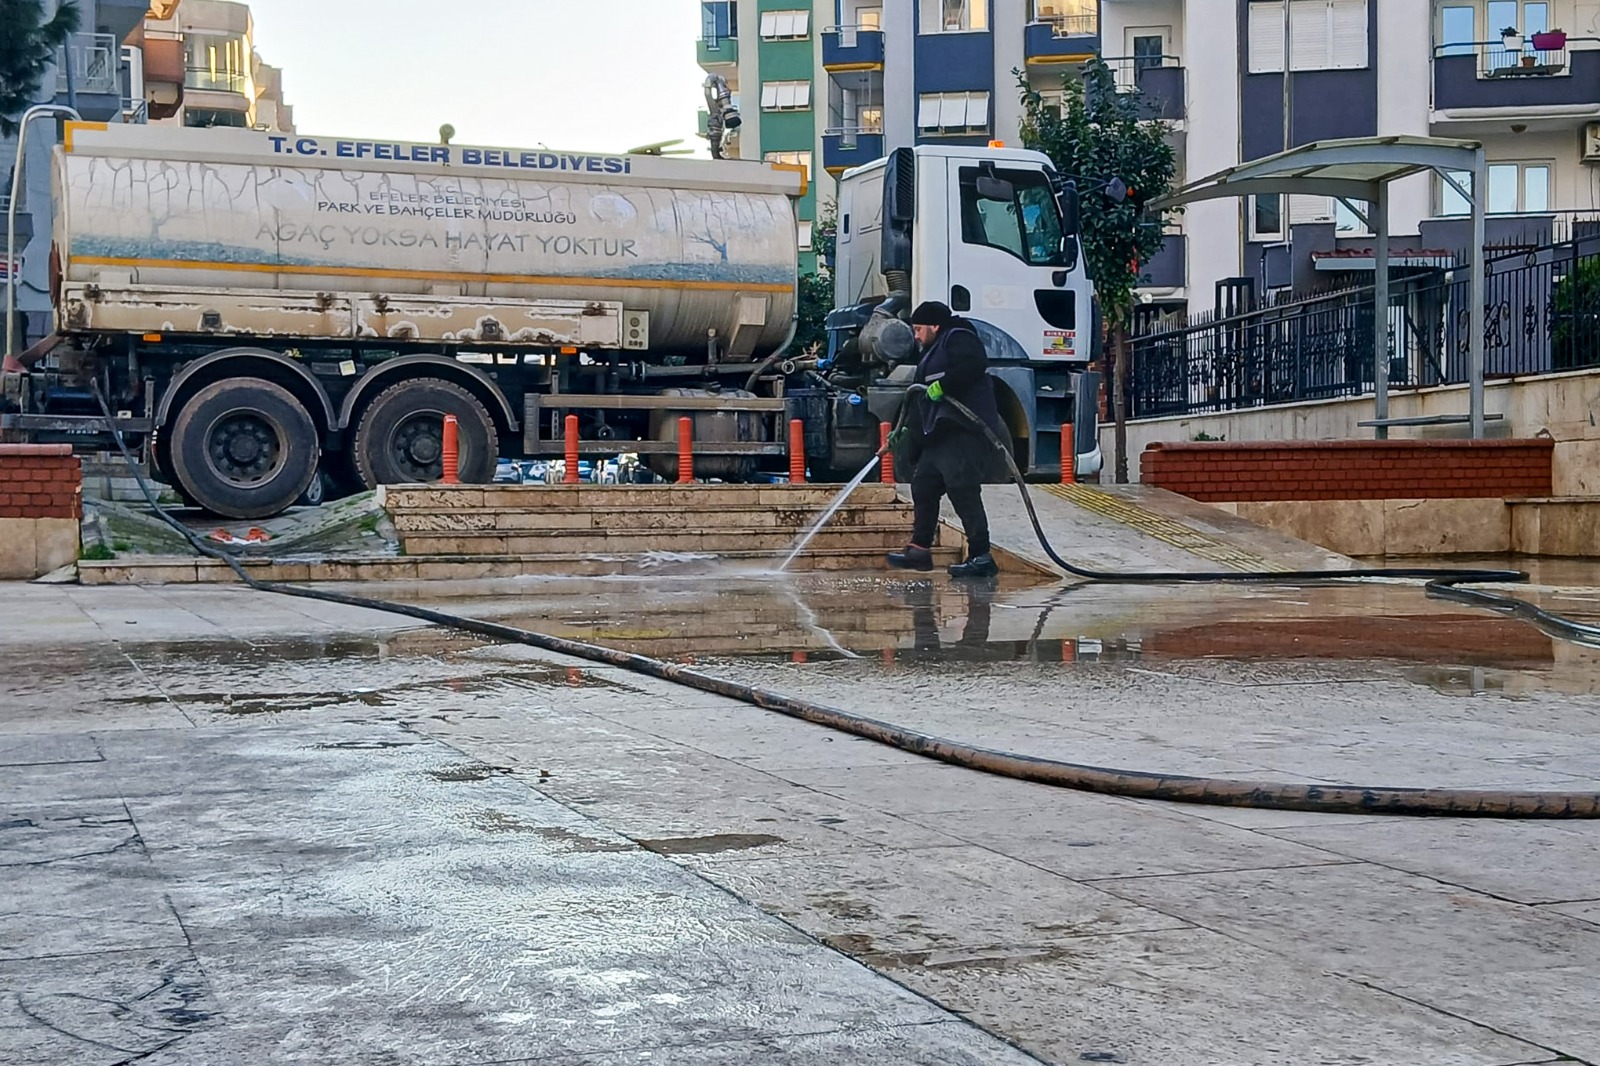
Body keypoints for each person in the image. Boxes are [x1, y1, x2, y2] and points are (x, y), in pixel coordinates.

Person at [886, 300, 1007, 579]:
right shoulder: (929, 354)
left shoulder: (959, 336)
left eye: (918, 329)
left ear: (934, 325)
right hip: (939, 434)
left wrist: (945, 385)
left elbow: (975, 365)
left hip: (964, 429)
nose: (915, 335)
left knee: (962, 489)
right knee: (924, 485)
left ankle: (981, 556)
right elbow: (918, 397)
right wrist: (905, 432)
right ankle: (919, 549)